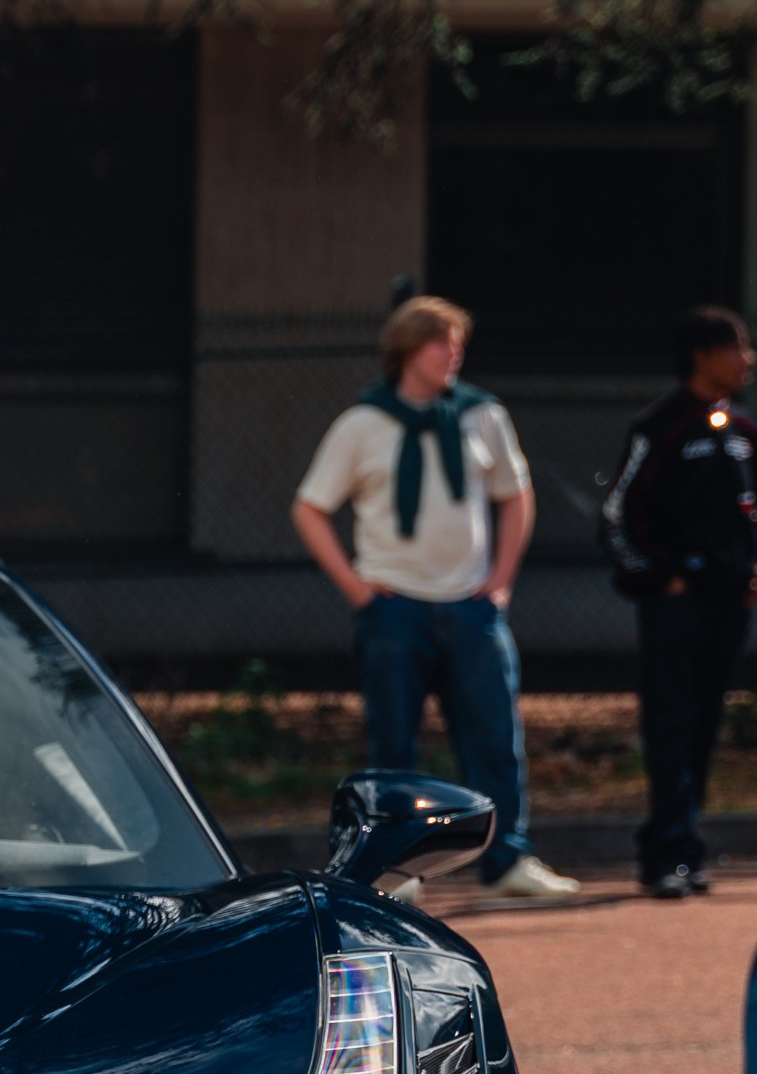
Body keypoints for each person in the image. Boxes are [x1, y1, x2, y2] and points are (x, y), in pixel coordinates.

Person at [291, 293, 578, 904]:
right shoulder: (362, 425)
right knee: (393, 749)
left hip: (470, 609)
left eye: (458, 344)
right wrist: (356, 586)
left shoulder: (482, 415)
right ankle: (399, 874)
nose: (454, 354)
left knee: (495, 741)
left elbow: (516, 495)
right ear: (406, 350)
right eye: (440, 342)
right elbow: (310, 507)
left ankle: (507, 863)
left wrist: (499, 581)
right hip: (394, 611)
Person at [601, 304, 757, 898]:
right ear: (703, 355)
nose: (746, 360)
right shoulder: (659, 426)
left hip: (729, 606)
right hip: (675, 605)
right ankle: (662, 855)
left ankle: (688, 850)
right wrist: (659, 579)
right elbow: (616, 516)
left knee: (705, 728)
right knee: (670, 724)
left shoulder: (741, 431)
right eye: (737, 347)